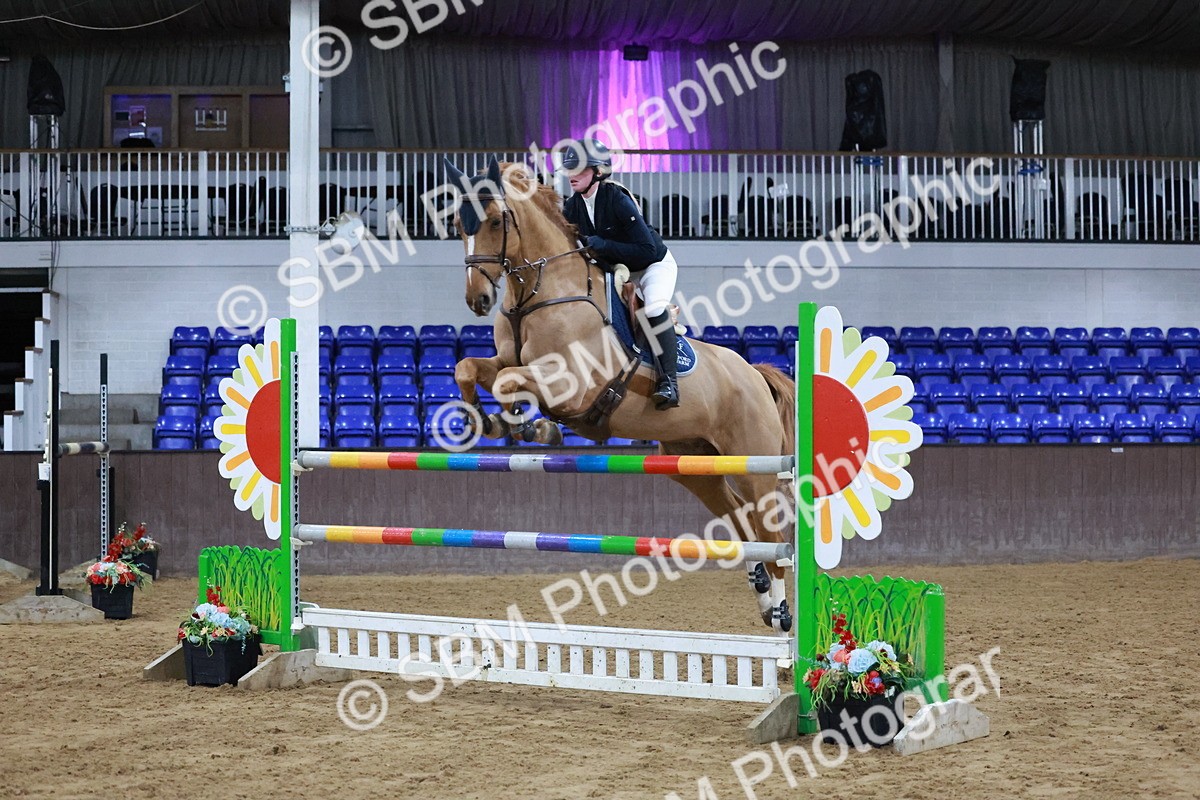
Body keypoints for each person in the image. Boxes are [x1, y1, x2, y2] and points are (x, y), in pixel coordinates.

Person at [561, 139, 680, 410]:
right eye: (569, 169)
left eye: (579, 169)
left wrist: (604, 245)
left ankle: (669, 383)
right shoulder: (572, 207)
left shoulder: (617, 199)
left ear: (598, 171)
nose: (571, 175)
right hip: (617, 272)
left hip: (652, 266)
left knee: (653, 307)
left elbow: (647, 249)